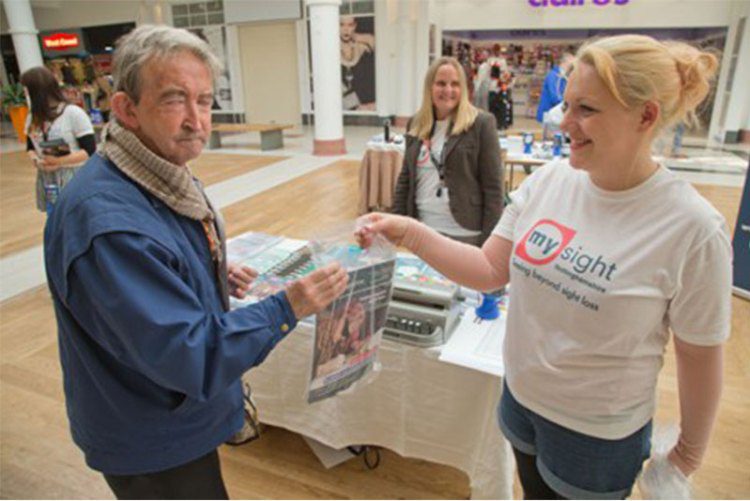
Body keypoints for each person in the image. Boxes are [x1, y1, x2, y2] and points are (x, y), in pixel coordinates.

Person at [358, 35, 730, 499]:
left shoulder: (692, 228)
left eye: (586, 109)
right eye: (567, 104)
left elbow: (699, 353)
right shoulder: (553, 179)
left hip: (595, 436)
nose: (563, 122)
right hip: (520, 402)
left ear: (646, 115)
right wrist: (409, 232)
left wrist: (687, 456)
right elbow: (490, 267)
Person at [43, 25, 349, 500]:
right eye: (174, 99)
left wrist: (201, 268)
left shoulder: (153, 172)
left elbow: (154, 263)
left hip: (169, 416)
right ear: (126, 109)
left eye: (204, 100)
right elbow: (189, 354)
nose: (196, 120)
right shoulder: (108, 224)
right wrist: (288, 306)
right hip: (149, 438)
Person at [392, 56, 503, 247]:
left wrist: (490, 242)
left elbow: (494, 188)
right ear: (430, 87)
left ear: (464, 89)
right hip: (422, 230)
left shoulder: (481, 124)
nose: (448, 90)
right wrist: (395, 224)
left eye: (455, 84)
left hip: (465, 232)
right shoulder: (416, 124)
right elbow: (405, 179)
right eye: (441, 83)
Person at [21, 66, 96, 213]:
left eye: (27, 89)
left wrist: (59, 161)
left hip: (75, 177)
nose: (25, 94)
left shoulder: (73, 113)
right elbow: (30, 147)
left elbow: (89, 150)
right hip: (49, 179)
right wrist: (37, 160)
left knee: (78, 220)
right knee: (55, 220)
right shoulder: (33, 117)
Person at [340, 15, 375, 111]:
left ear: (355, 26)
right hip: (344, 111)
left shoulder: (363, 48)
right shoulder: (330, 49)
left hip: (369, 108)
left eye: (350, 25)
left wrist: (362, 37)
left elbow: (386, 53)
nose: (346, 29)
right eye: (341, 24)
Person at [536, 51, 574, 124]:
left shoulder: (563, 76)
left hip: (555, 114)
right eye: (571, 63)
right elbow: (555, 96)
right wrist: (568, 104)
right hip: (549, 113)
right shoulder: (554, 75)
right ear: (564, 62)